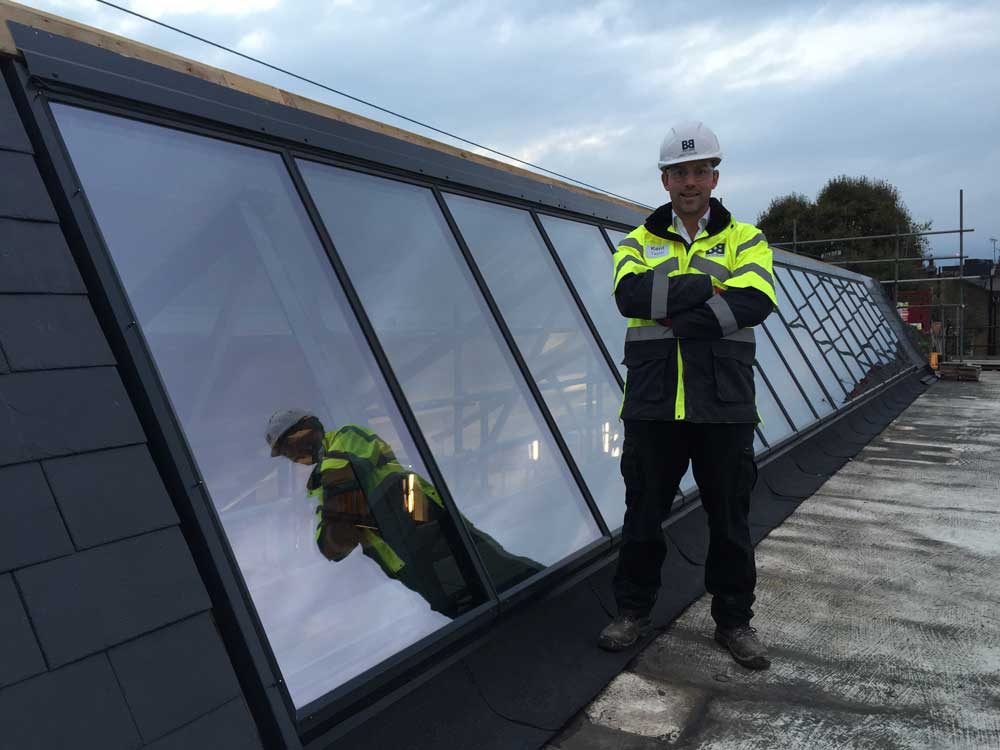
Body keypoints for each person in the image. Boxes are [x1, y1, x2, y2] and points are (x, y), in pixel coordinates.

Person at [597, 122, 777, 669]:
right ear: (665, 180)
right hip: (654, 404)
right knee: (642, 517)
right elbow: (630, 296)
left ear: (714, 176)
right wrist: (705, 284)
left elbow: (756, 300)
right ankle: (632, 612)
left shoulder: (746, 237)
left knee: (730, 521)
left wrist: (678, 311)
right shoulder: (637, 240)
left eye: (700, 171)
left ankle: (734, 623)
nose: (690, 181)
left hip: (723, 404)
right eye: (680, 172)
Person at [266, 410, 541, 616]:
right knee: (459, 606)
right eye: (289, 453)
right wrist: (338, 520)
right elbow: (331, 546)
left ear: (308, 429)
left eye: (292, 444)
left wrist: (340, 517)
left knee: (497, 571)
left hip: (420, 515)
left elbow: (347, 477)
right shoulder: (319, 487)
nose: (295, 455)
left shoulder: (346, 437)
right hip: (402, 561)